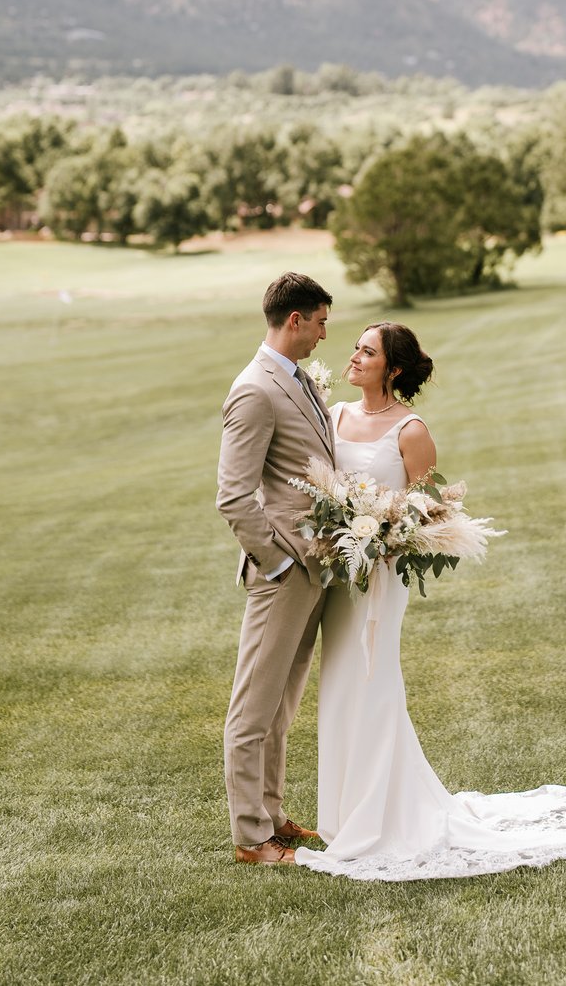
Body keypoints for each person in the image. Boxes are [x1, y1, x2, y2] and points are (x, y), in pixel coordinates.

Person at [295, 321, 566, 881]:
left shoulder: (410, 430)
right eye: (354, 347)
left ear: (394, 368)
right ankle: (342, 815)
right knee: (337, 684)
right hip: (342, 577)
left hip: (380, 579)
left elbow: (426, 515)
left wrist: (385, 533)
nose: (353, 356)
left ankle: (385, 816)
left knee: (374, 681)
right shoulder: (333, 417)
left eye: (367, 351)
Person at [216, 271, 334, 866]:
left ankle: (271, 814)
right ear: (295, 320)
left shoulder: (299, 380)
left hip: (315, 566)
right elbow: (233, 497)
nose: (321, 336)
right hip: (283, 571)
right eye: (318, 324)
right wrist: (281, 561)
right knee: (253, 707)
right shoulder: (254, 390)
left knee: (282, 705)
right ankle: (249, 838)